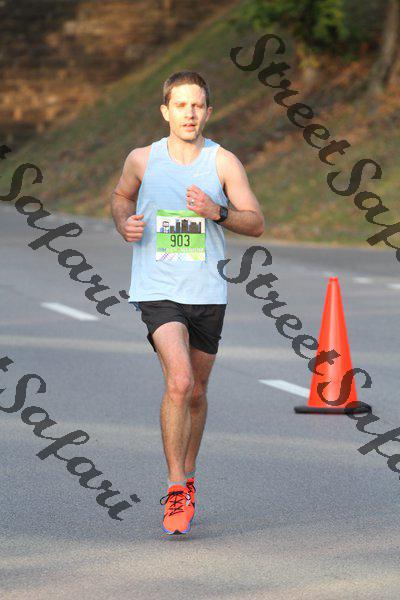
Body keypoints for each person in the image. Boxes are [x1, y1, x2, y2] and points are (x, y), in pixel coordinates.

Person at [111, 71, 264, 535]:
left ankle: (190, 475)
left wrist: (216, 211)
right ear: (166, 111)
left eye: (197, 105)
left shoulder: (223, 162)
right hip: (157, 290)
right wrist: (124, 222)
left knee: (197, 391)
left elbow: (255, 222)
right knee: (179, 381)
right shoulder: (142, 159)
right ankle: (175, 486)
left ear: (208, 112)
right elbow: (121, 197)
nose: (189, 114)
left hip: (207, 292)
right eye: (180, 105)